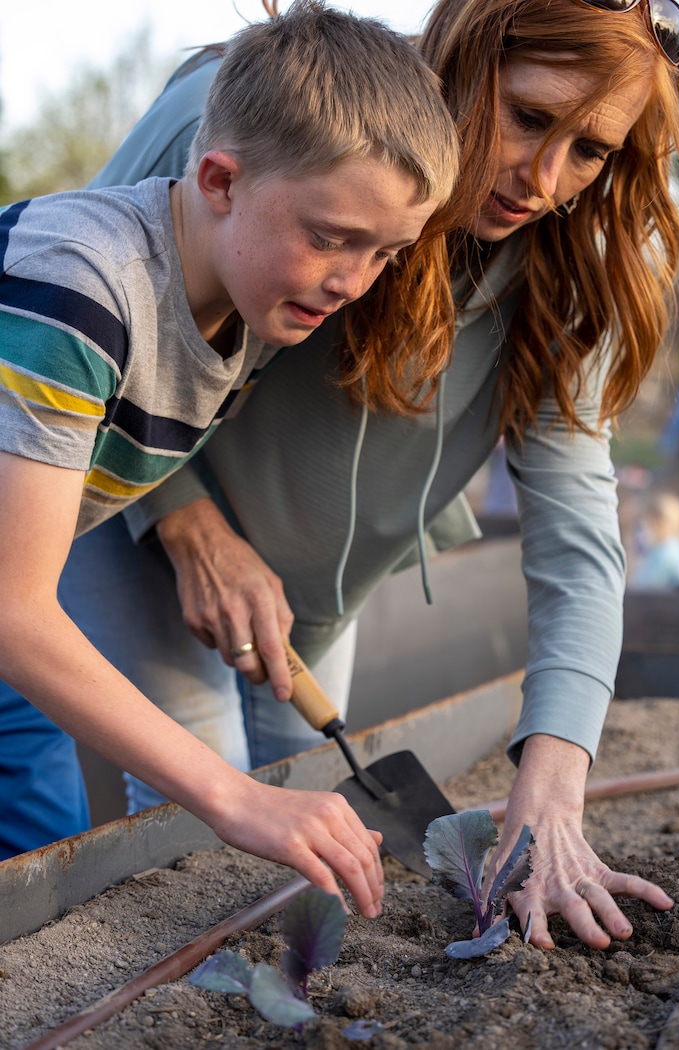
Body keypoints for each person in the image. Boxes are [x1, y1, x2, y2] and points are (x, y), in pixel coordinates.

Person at [4, 0, 679, 954]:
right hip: (114, 542)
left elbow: (577, 532)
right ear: (467, 55)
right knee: (184, 824)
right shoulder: (252, 125)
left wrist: (554, 784)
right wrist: (189, 522)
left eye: (590, 151)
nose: (544, 180)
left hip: (304, 595)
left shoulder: (388, 270)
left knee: (299, 821)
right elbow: (115, 332)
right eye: (530, 116)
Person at [0, 0, 463, 923]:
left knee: (36, 888)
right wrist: (235, 794)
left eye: (387, 251)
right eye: (332, 236)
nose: (354, 281)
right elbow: (11, 609)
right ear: (217, 178)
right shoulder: (78, 284)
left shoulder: (259, 296)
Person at [628, 491, 679, 589]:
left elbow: (644, 587)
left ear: (658, 522)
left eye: (647, 520)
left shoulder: (667, 550)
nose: (644, 527)